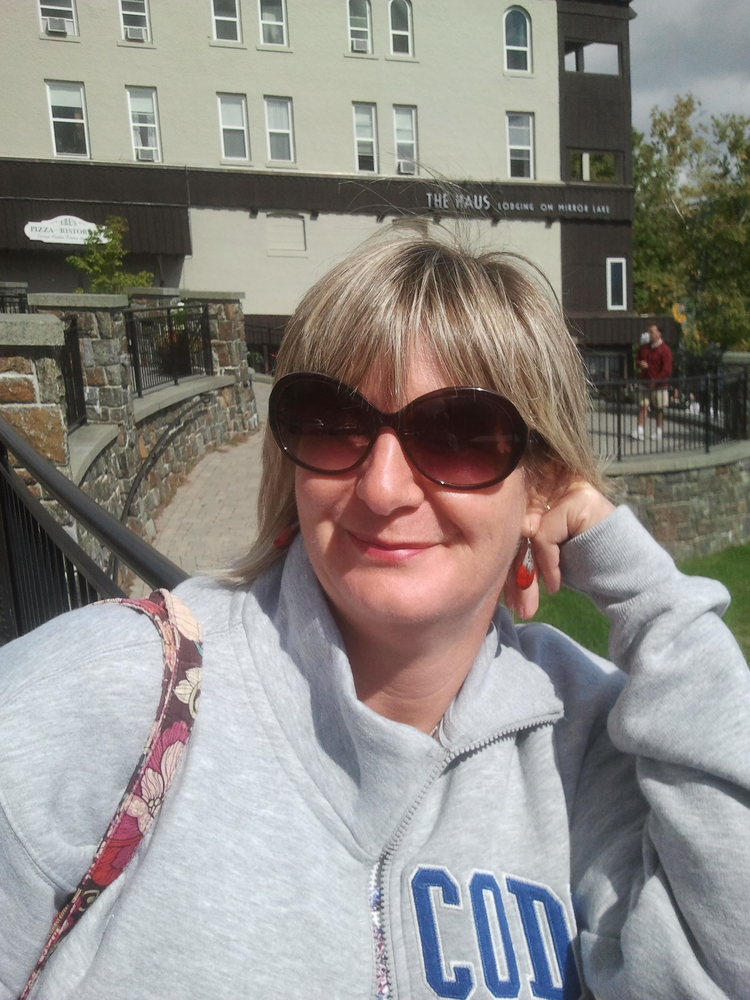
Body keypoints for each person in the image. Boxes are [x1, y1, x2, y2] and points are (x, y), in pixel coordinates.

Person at [1, 233, 749, 1000]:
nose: (383, 488)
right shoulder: (114, 689)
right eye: (335, 422)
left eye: (457, 435)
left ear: (542, 484)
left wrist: (644, 589)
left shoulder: (582, 742)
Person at [631, 322, 673, 441]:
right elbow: (637, 360)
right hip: (645, 383)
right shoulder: (644, 348)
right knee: (642, 406)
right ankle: (640, 429)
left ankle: (658, 431)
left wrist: (656, 380)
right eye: (649, 332)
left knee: (659, 408)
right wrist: (640, 364)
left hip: (659, 385)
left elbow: (667, 369)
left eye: (652, 332)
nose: (649, 334)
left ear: (659, 334)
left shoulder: (665, 350)